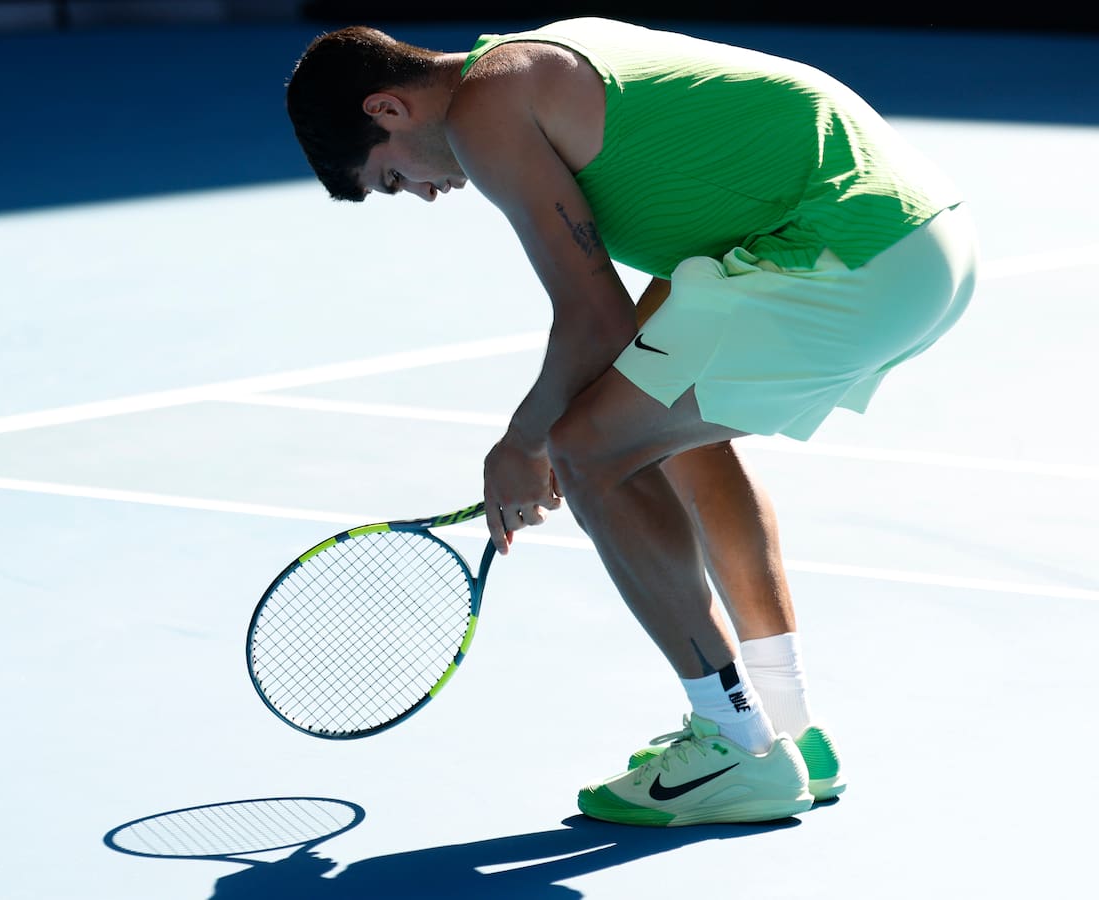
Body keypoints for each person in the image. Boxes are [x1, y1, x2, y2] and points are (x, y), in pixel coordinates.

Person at [284, 16, 977, 826]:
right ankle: (787, 725)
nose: (425, 193)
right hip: (920, 241)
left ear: (387, 110)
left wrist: (523, 445)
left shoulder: (484, 110)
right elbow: (635, 327)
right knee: (662, 437)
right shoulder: (540, 55)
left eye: (393, 177)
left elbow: (594, 322)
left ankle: (734, 744)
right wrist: (563, 422)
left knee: (586, 450)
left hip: (844, 256)